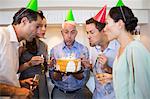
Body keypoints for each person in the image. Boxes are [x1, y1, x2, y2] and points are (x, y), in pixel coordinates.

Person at [103, 5, 150, 99]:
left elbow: (144, 91)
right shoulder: (121, 49)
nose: (104, 29)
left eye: (107, 23)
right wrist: (113, 77)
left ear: (120, 24)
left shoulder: (135, 49)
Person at [49, 9, 92, 99]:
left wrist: (77, 71)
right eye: (66, 32)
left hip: (79, 92)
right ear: (62, 33)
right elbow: (53, 76)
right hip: (59, 92)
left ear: (76, 33)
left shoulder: (83, 50)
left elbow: (85, 76)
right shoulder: (54, 50)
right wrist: (55, 70)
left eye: (72, 32)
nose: (69, 36)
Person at [0, 7, 42, 99]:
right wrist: (14, 91)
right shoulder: (1, 35)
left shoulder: (18, 44)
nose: (39, 32)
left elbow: (5, 77)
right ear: (24, 21)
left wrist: (19, 84)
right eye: (37, 26)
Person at [84, 5, 119, 99]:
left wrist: (107, 68)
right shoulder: (93, 49)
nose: (88, 36)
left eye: (91, 32)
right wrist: (89, 67)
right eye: (87, 32)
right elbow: (97, 71)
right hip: (97, 96)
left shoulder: (119, 48)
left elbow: (129, 76)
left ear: (103, 31)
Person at [19, 10, 50, 99]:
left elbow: (44, 69)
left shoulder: (44, 45)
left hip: (42, 83)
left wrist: (48, 64)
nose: (44, 29)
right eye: (40, 26)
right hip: (27, 82)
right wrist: (29, 64)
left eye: (45, 26)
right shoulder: (23, 44)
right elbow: (15, 70)